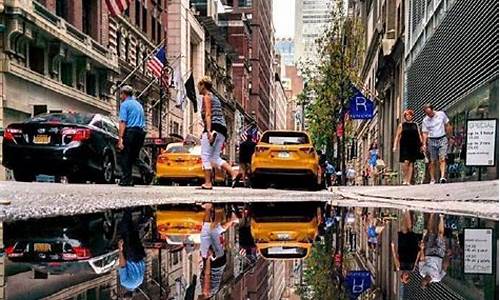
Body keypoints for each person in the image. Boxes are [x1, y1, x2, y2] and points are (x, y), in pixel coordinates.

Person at [198, 77, 239, 189]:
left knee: (205, 156)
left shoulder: (206, 97)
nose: (198, 88)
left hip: (213, 127)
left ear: (203, 85)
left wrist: (209, 131)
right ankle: (233, 172)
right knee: (215, 157)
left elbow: (208, 114)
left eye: (199, 85)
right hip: (222, 129)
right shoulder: (215, 98)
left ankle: (208, 183)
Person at [118, 85, 146, 187]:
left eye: (121, 94)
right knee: (133, 156)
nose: (120, 96)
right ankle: (147, 171)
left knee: (126, 156)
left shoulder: (125, 105)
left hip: (131, 132)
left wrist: (120, 138)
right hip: (141, 132)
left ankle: (126, 179)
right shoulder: (138, 104)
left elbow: (123, 122)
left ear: (124, 94)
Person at [117, 209, 146, 295]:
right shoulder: (125, 282)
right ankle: (127, 210)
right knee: (125, 231)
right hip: (131, 255)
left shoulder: (140, 282)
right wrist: (120, 249)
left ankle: (141, 214)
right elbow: (123, 265)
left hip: (140, 254)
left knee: (134, 233)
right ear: (125, 291)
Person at [421, 104, 452, 184]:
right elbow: (425, 133)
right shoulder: (425, 120)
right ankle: (432, 178)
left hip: (442, 138)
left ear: (432, 110)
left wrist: (449, 136)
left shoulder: (441, 114)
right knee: (432, 161)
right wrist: (424, 144)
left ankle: (442, 177)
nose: (429, 115)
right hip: (431, 140)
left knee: (442, 158)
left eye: (430, 113)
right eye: (427, 114)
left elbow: (447, 125)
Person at [417, 213, 449, 289]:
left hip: (429, 252)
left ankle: (432, 214)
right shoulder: (438, 278)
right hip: (439, 254)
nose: (424, 278)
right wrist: (447, 257)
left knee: (431, 232)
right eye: (424, 280)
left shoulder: (422, 272)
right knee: (440, 235)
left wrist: (422, 249)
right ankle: (441, 217)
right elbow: (444, 268)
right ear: (428, 283)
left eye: (422, 279)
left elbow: (422, 260)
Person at [391, 211, 422, 287]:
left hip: (403, 246)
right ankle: (407, 212)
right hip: (412, 247)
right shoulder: (412, 269)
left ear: (402, 276)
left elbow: (395, 257)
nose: (407, 276)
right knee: (410, 229)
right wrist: (420, 249)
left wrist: (392, 247)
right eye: (408, 277)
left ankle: (404, 214)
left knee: (404, 229)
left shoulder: (399, 267)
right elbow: (416, 259)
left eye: (405, 277)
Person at [393, 109, 424, 185]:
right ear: (405, 116)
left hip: (414, 145)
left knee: (411, 163)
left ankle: (408, 181)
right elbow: (397, 136)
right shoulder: (401, 125)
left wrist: (422, 144)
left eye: (410, 115)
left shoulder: (415, 124)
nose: (409, 116)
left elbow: (419, 135)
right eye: (407, 115)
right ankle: (404, 178)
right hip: (405, 145)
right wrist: (395, 146)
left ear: (412, 116)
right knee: (406, 162)